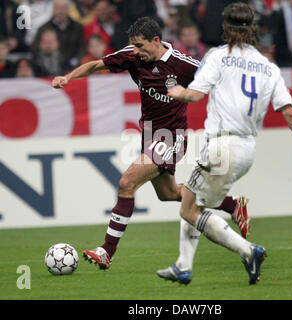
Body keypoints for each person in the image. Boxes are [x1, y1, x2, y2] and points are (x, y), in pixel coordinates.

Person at [52, 16, 250, 270]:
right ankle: (232, 204)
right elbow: (96, 65)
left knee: (127, 182)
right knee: (168, 194)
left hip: (172, 136)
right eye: (133, 46)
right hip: (149, 134)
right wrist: (68, 78)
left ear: (156, 41)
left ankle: (106, 251)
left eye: (140, 46)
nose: (136, 52)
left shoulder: (184, 65)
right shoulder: (132, 56)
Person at [157, 2, 292, 285]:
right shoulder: (269, 68)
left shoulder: (218, 56)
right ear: (253, 29)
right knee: (194, 201)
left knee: (189, 209)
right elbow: (289, 111)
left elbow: (195, 95)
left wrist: (177, 90)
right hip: (246, 151)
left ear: (225, 29)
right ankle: (183, 265)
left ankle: (248, 251)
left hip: (222, 147)